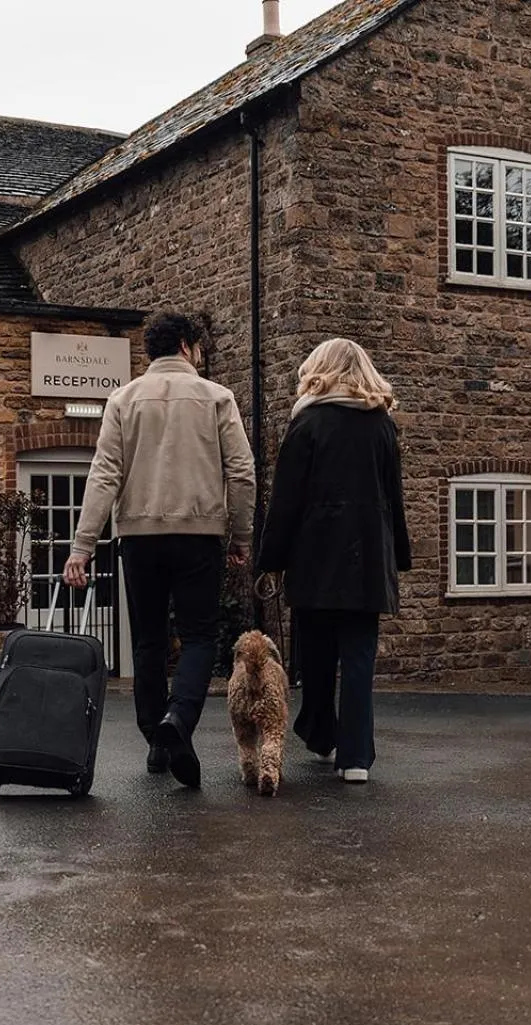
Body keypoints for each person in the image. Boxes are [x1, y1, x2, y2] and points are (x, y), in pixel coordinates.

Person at [64, 311, 255, 788]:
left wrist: (82, 546)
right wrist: (242, 535)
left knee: (147, 642)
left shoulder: (123, 399)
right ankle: (179, 722)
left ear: (151, 352)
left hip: (140, 538)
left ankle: (155, 739)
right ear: (188, 347)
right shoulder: (217, 398)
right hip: (199, 535)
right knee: (198, 638)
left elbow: (104, 473)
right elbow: (243, 472)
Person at [256, 338, 410, 784]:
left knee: (317, 651)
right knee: (360, 657)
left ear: (318, 370)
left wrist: (272, 559)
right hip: (367, 555)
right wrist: (398, 553)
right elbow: (392, 498)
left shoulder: (307, 424)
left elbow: (286, 500)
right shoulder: (382, 426)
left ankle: (321, 734)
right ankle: (356, 756)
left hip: (314, 554)